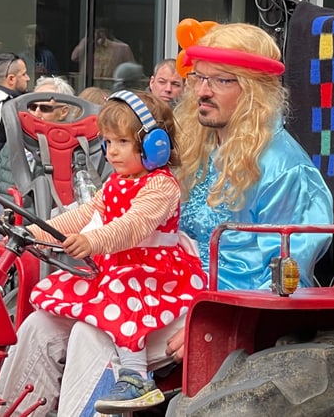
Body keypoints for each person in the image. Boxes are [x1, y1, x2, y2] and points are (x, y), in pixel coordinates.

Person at [0, 22, 333, 417]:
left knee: (93, 334)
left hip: (214, 305)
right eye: (199, 77)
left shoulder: (284, 169)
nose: (202, 91)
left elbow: (279, 275)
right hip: (154, 286)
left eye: (221, 80)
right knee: (40, 326)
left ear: (255, 91)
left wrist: (203, 322)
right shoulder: (195, 146)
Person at [26, 90, 205, 411]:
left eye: (122, 142)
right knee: (45, 316)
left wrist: (93, 241)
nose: (111, 152)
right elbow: (82, 216)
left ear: (155, 145)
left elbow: (133, 225)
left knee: (122, 293)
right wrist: (34, 232)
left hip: (154, 274)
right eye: (107, 143)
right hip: (119, 269)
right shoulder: (114, 184)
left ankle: (135, 377)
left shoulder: (161, 186)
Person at [0, 76, 75, 202]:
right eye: (32, 106)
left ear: (63, 112)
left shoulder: (73, 151)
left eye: (45, 108)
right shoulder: (13, 143)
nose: (36, 113)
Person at [70, 25, 136, 81]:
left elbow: (132, 71)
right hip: (90, 87)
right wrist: (87, 39)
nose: (98, 35)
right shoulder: (88, 46)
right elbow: (74, 57)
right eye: (96, 31)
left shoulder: (121, 48)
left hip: (110, 87)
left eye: (101, 31)